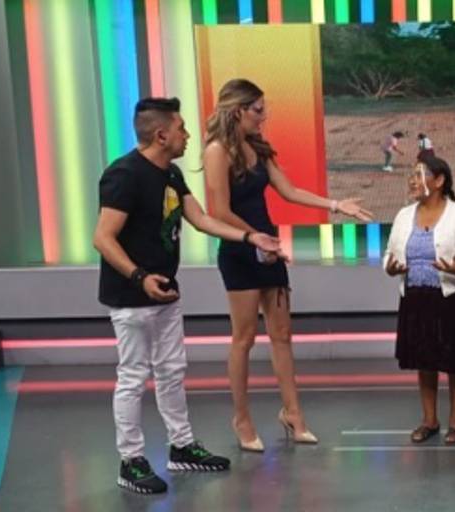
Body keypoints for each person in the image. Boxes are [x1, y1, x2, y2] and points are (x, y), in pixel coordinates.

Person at [94, 97, 282, 494]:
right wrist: (139, 277)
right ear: (161, 135)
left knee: (172, 371)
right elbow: (103, 238)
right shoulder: (124, 175)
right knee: (133, 376)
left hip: (165, 292)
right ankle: (131, 461)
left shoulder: (171, 174)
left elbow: (201, 219)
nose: (188, 135)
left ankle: (181, 446)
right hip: (131, 297)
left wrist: (250, 237)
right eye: (181, 129)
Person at [203, 78, 373, 451]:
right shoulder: (217, 151)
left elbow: (289, 190)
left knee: (282, 335)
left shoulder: (259, 147)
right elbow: (220, 212)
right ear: (238, 111)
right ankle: (242, 419)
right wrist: (255, 239)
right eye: (258, 110)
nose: (264, 116)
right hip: (240, 249)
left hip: (270, 250)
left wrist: (335, 206)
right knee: (244, 338)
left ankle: (293, 414)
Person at [383, 156, 455, 445]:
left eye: (419, 175)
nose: (412, 181)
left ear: (439, 180)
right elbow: (390, 253)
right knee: (425, 362)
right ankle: (429, 420)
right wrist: (390, 268)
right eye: (411, 175)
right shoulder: (404, 215)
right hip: (416, 300)